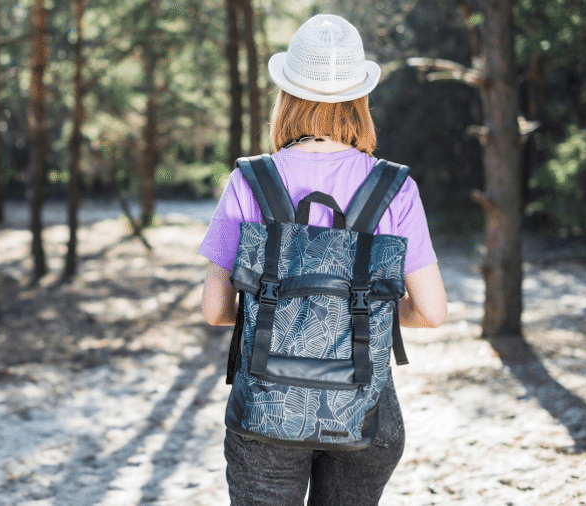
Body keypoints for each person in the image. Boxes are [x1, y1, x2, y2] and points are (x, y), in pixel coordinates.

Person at [198, 14, 448, 506]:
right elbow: (434, 312)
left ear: (287, 96)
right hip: (363, 411)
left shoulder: (249, 181)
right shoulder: (395, 187)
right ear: (360, 99)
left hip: (265, 413)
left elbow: (214, 309)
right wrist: (370, 313)